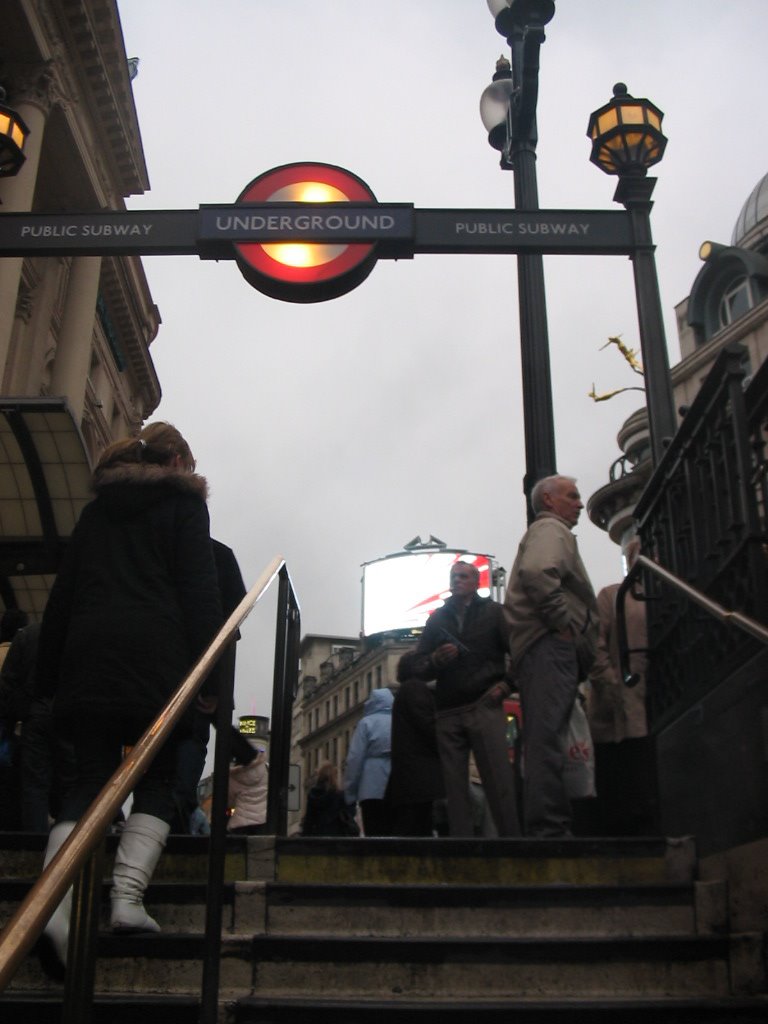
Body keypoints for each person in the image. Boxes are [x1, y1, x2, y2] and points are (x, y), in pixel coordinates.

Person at [33, 421, 223, 977]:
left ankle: (55, 909)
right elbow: (199, 591)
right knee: (159, 779)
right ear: (177, 462)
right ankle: (127, 900)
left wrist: (49, 680)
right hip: (157, 663)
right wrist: (210, 678)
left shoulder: (96, 513)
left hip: (89, 661)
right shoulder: (184, 509)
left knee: (89, 781)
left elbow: (61, 598)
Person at [504, 474, 598, 838]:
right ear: (548, 500)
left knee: (544, 735)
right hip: (548, 644)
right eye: (571, 496)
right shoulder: (551, 530)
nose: (578, 503)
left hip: (539, 645)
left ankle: (548, 824)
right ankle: (551, 829)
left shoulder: (546, 531)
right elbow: (537, 571)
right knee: (548, 737)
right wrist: (564, 625)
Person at [413, 562, 520, 838]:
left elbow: (519, 652)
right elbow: (417, 666)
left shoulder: (494, 613)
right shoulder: (437, 619)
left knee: (499, 783)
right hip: (449, 711)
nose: (457, 580)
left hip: (483, 704)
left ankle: (514, 846)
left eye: (463, 576)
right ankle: (462, 850)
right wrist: (436, 660)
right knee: (455, 791)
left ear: (476, 582)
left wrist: (506, 686)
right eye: (453, 576)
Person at [586, 539, 658, 835]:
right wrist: (611, 681)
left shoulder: (663, 593)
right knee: (624, 772)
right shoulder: (613, 596)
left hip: (655, 695)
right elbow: (596, 643)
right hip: (621, 699)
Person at [388, 653, 444, 837]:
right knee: (418, 826)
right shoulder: (415, 689)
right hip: (419, 773)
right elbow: (427, 725)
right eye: (424, 662)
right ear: (416, 667)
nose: (429, 665)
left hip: (409, 774)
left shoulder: (406, 690)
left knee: (414, 826)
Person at [343, 687, 394, 836]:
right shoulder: (399, 719)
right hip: (397, 786)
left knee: (375, 833)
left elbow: (354, 759)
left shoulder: (366, 723)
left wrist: (350, 795)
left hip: (371, 788)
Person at [301, 762, 356, 836]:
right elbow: (351, 813)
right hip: (337, 838)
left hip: (318, 838)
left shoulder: (313, 796)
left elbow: (309, 820)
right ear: (334, 778)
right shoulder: (340, 796)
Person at [227, 740, 268, 834]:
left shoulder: (234, 776)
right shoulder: (266, 769)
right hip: (263, 822)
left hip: (240, 824)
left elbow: (230, 802)